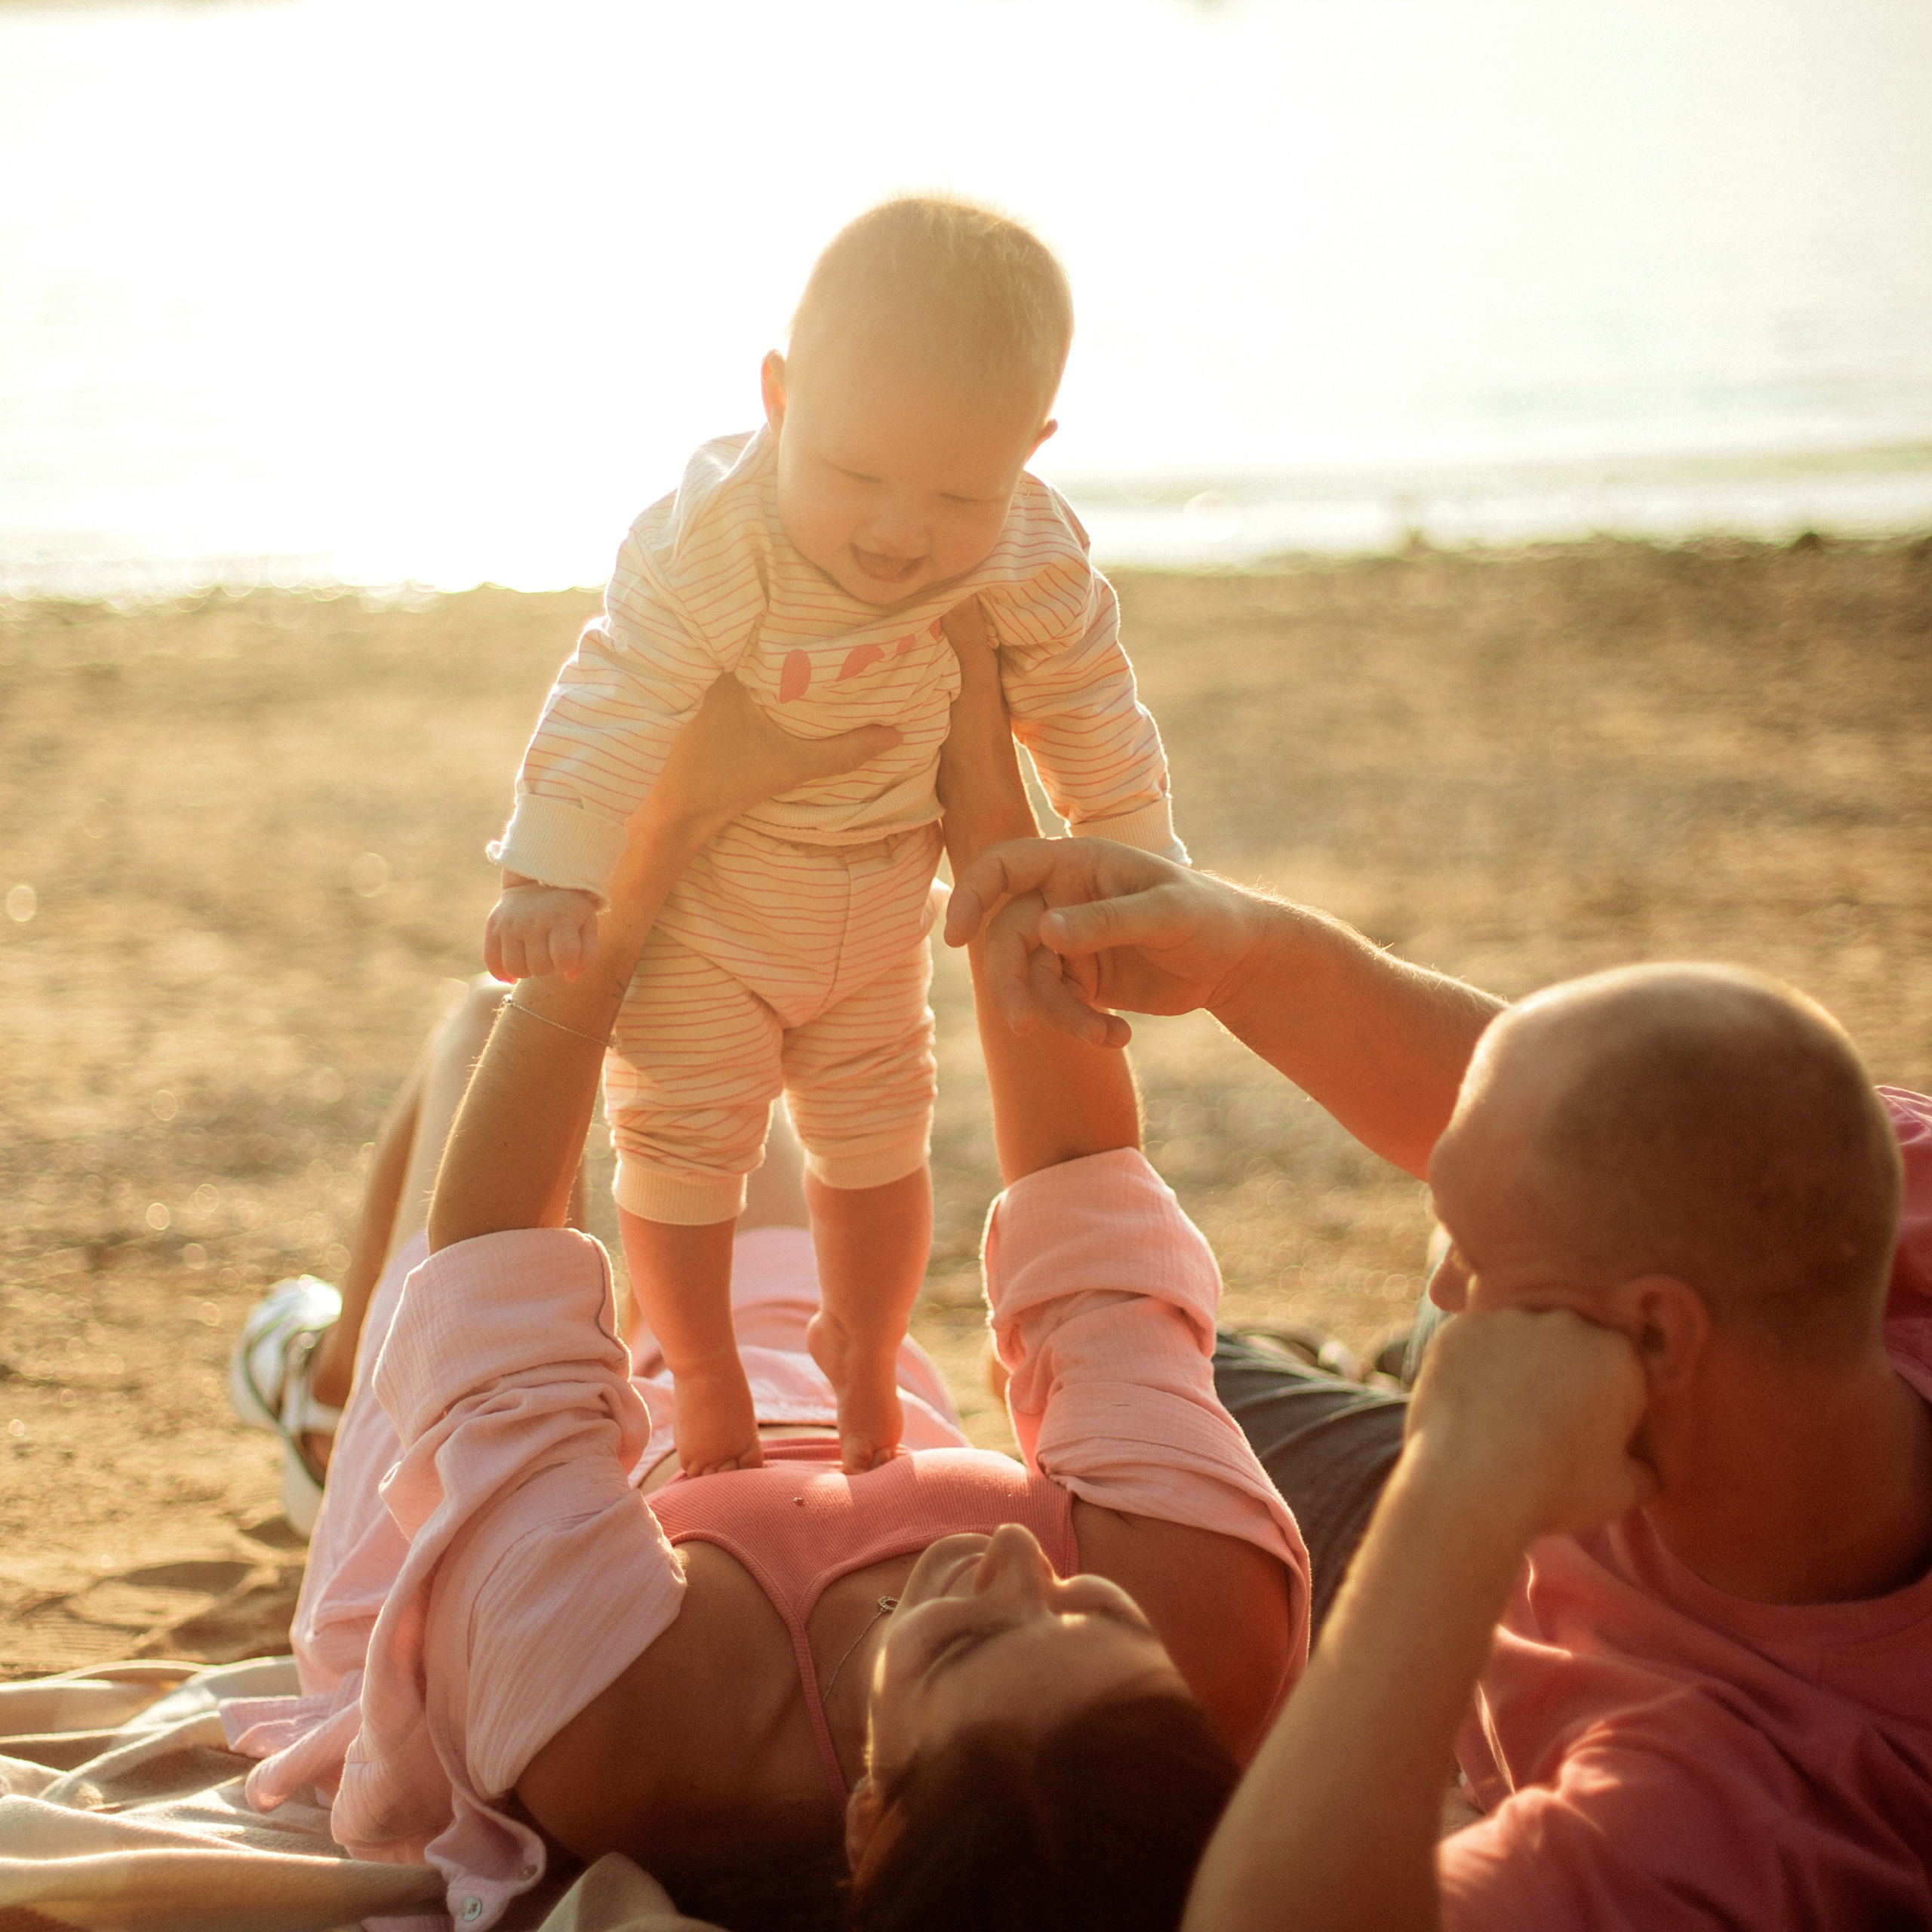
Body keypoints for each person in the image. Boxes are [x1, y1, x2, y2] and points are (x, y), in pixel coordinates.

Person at [220, 632, 1302, 1932]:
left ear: (866, 1810)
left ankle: (337, 1401)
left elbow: (490, 1258)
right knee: (711, 1091)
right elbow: (1086, 1198)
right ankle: (334, 1379)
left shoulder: (620, 1724)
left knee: (482, 1026)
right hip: (807, 1402)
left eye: (967, 1641)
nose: (1015, 1556)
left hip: (522, 1525)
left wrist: (657, 829)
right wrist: (976, 780)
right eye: (1090, 1611)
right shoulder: (1217, 1625)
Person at [945, 837, 1932, 1930]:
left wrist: (1457, 1492)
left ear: (1655, 1335)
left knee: (1179, 1425)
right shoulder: (1863, 1183)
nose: (1449, 1284)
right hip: (1546, 1463)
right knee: (1218, 1370)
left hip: (1454, 1553)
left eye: (1479, 1257)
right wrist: (1248, 956)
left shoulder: (1735, 1810)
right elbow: (1594, 1117)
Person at [483, 195, 1185, 1481]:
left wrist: (1140, 864)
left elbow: (1087, 700)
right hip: (712, 906)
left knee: (881, 1143)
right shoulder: (717, 541)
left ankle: (863, 1350)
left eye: (955, 491)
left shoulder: (1028, 546)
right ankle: (700, 1373)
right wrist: (551, 869)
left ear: (1030, 451)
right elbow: (616, 689)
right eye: (856, 475)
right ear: (778, 396)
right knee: (682, 1146)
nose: (897, 531)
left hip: (880, 912)